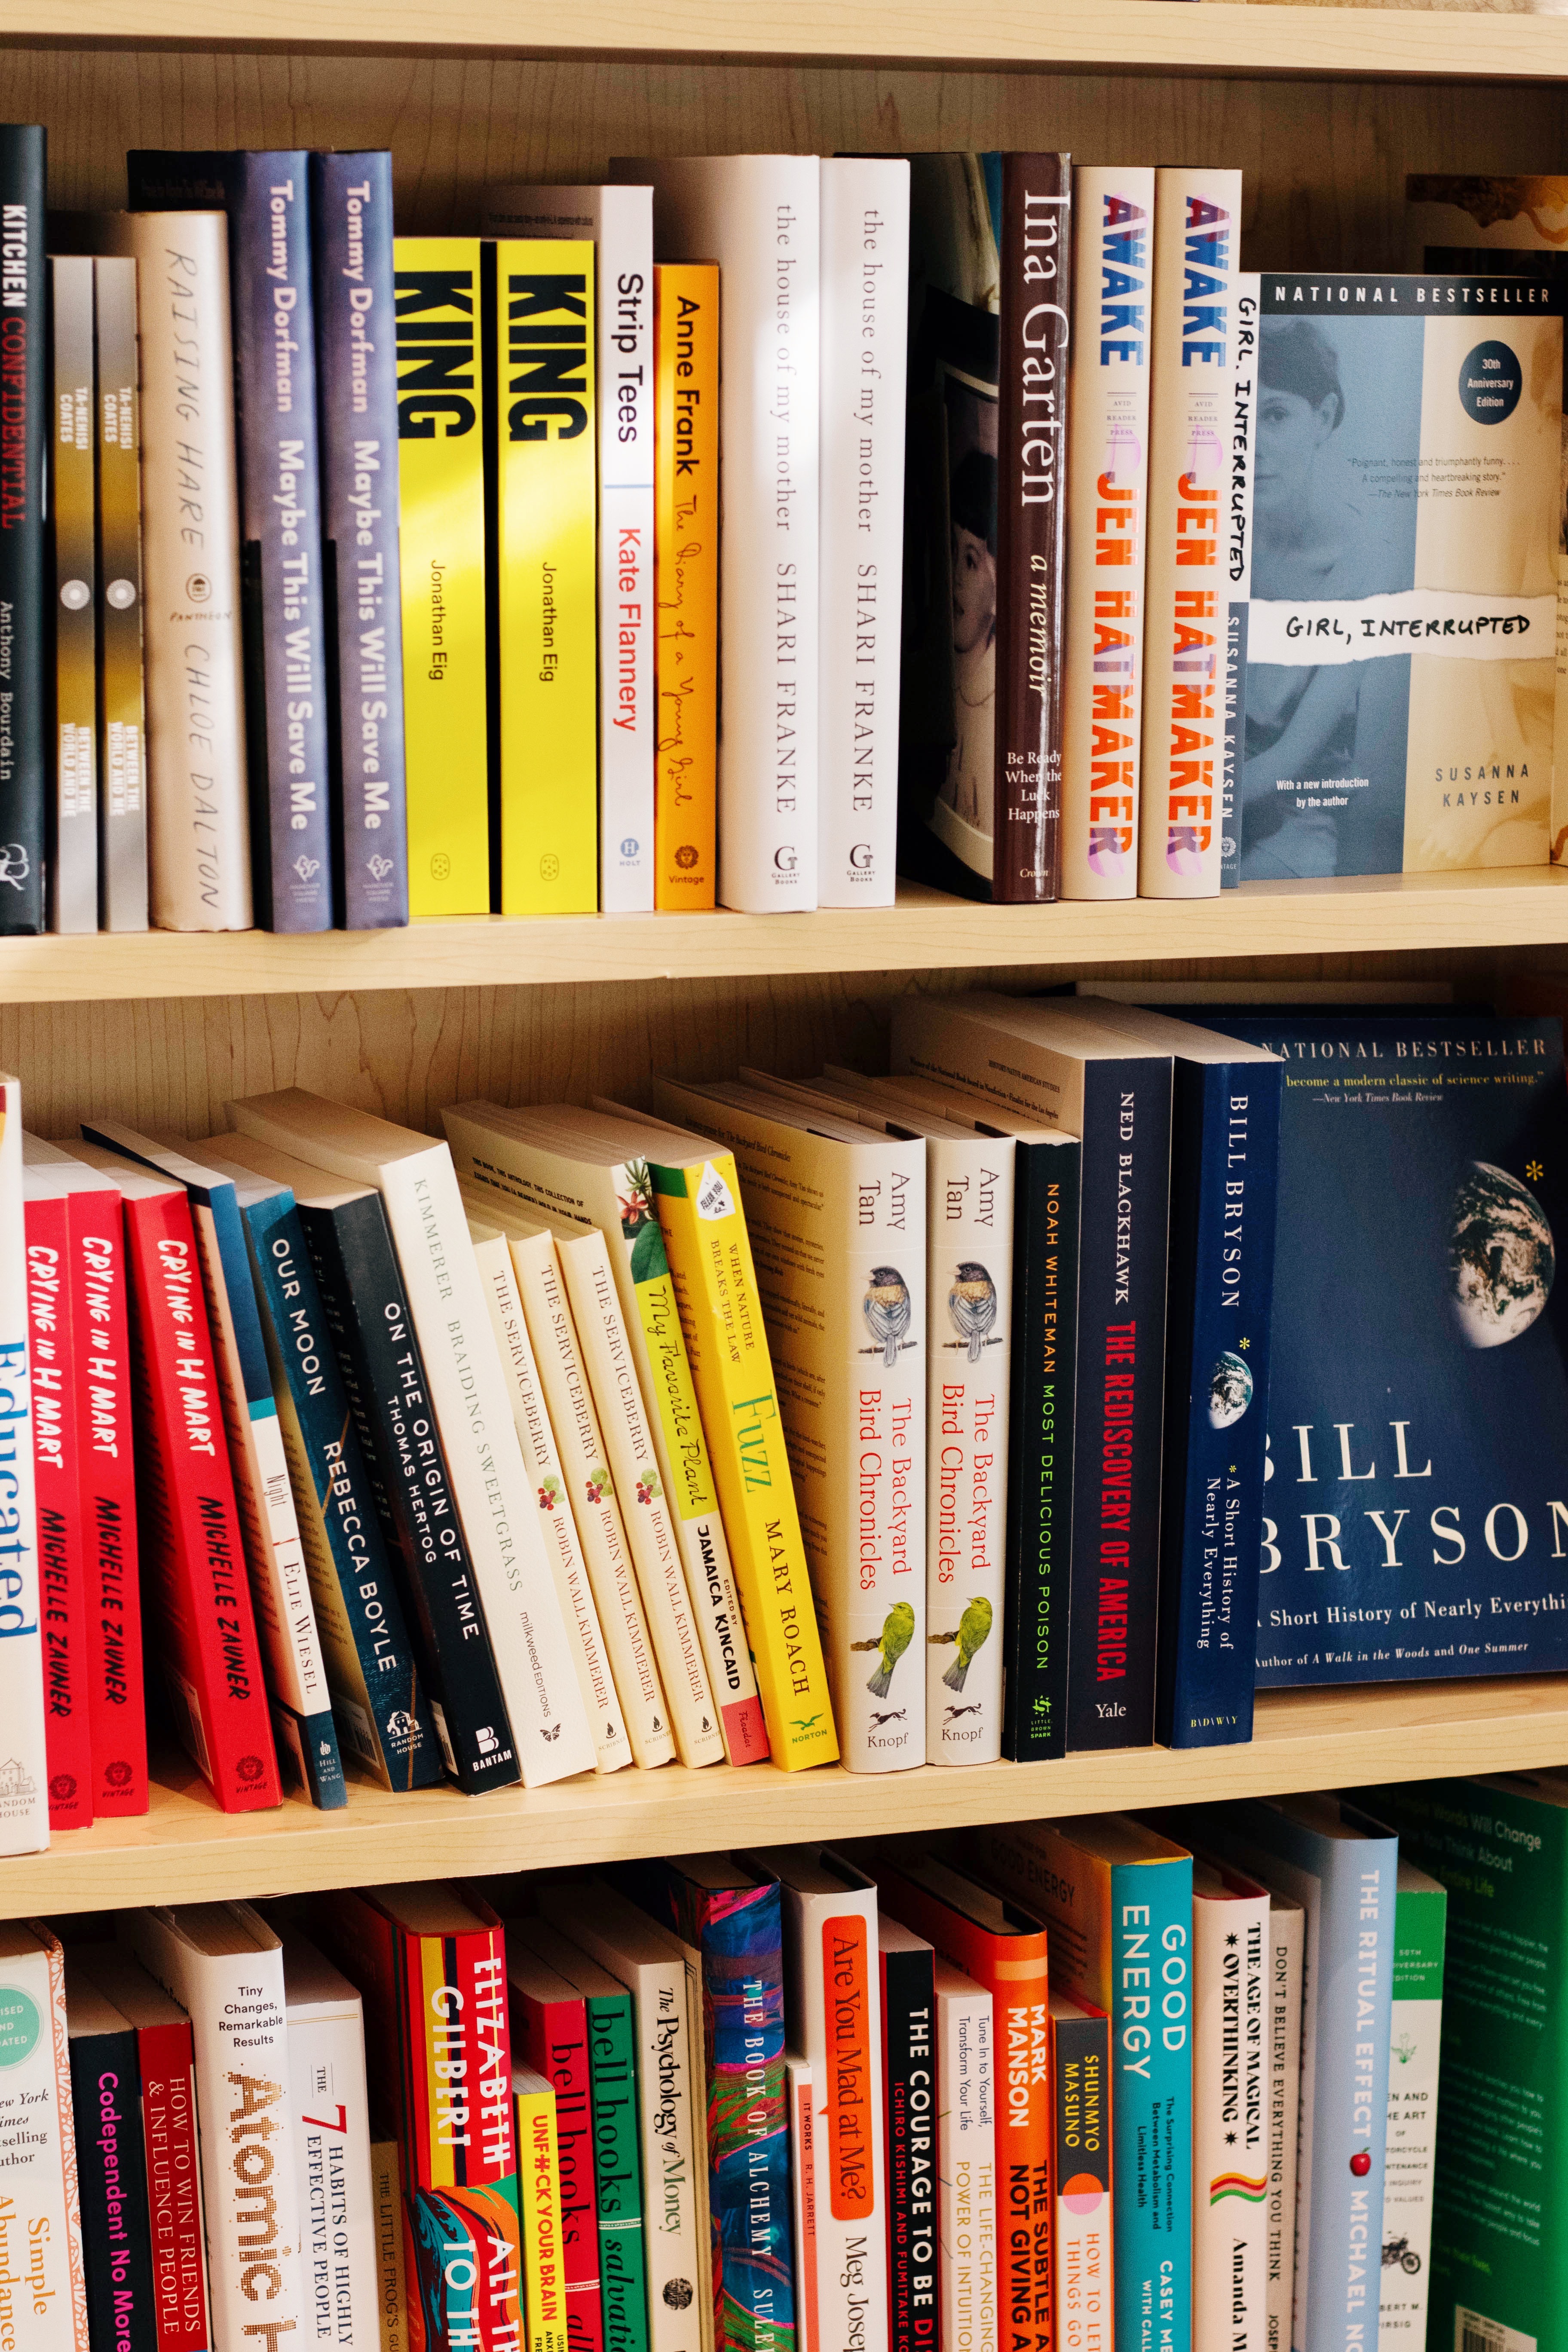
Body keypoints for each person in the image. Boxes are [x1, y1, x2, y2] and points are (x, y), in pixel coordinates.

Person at [1243, 318, 1408, 877]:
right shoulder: (1205, 534)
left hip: (1285, 824)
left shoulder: (1365, 565)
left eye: (1276, 416)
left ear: (1325, 418)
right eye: (1238, 417)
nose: (1252, 445)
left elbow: (1286, 761)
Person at [933, 446, 998, 868]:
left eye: (972, 562)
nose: (956, 575)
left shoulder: (999, 703)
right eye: (953, 552)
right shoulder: (946, 680)